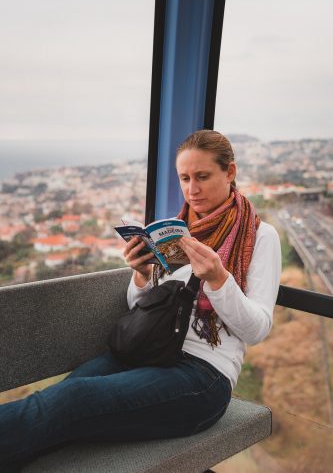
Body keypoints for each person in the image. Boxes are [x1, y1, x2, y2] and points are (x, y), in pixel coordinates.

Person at [0, 129, 281, 472]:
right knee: (60, 397)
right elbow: (142, 307)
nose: (193, 189)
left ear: (230, 172)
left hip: (203, 375)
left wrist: (219, 279)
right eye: (185, 178)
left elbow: (258, 329)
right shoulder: (175, 230)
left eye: (203, 176)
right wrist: (141, 274)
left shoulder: (261, 237)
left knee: (69, 402)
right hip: (148, 351)